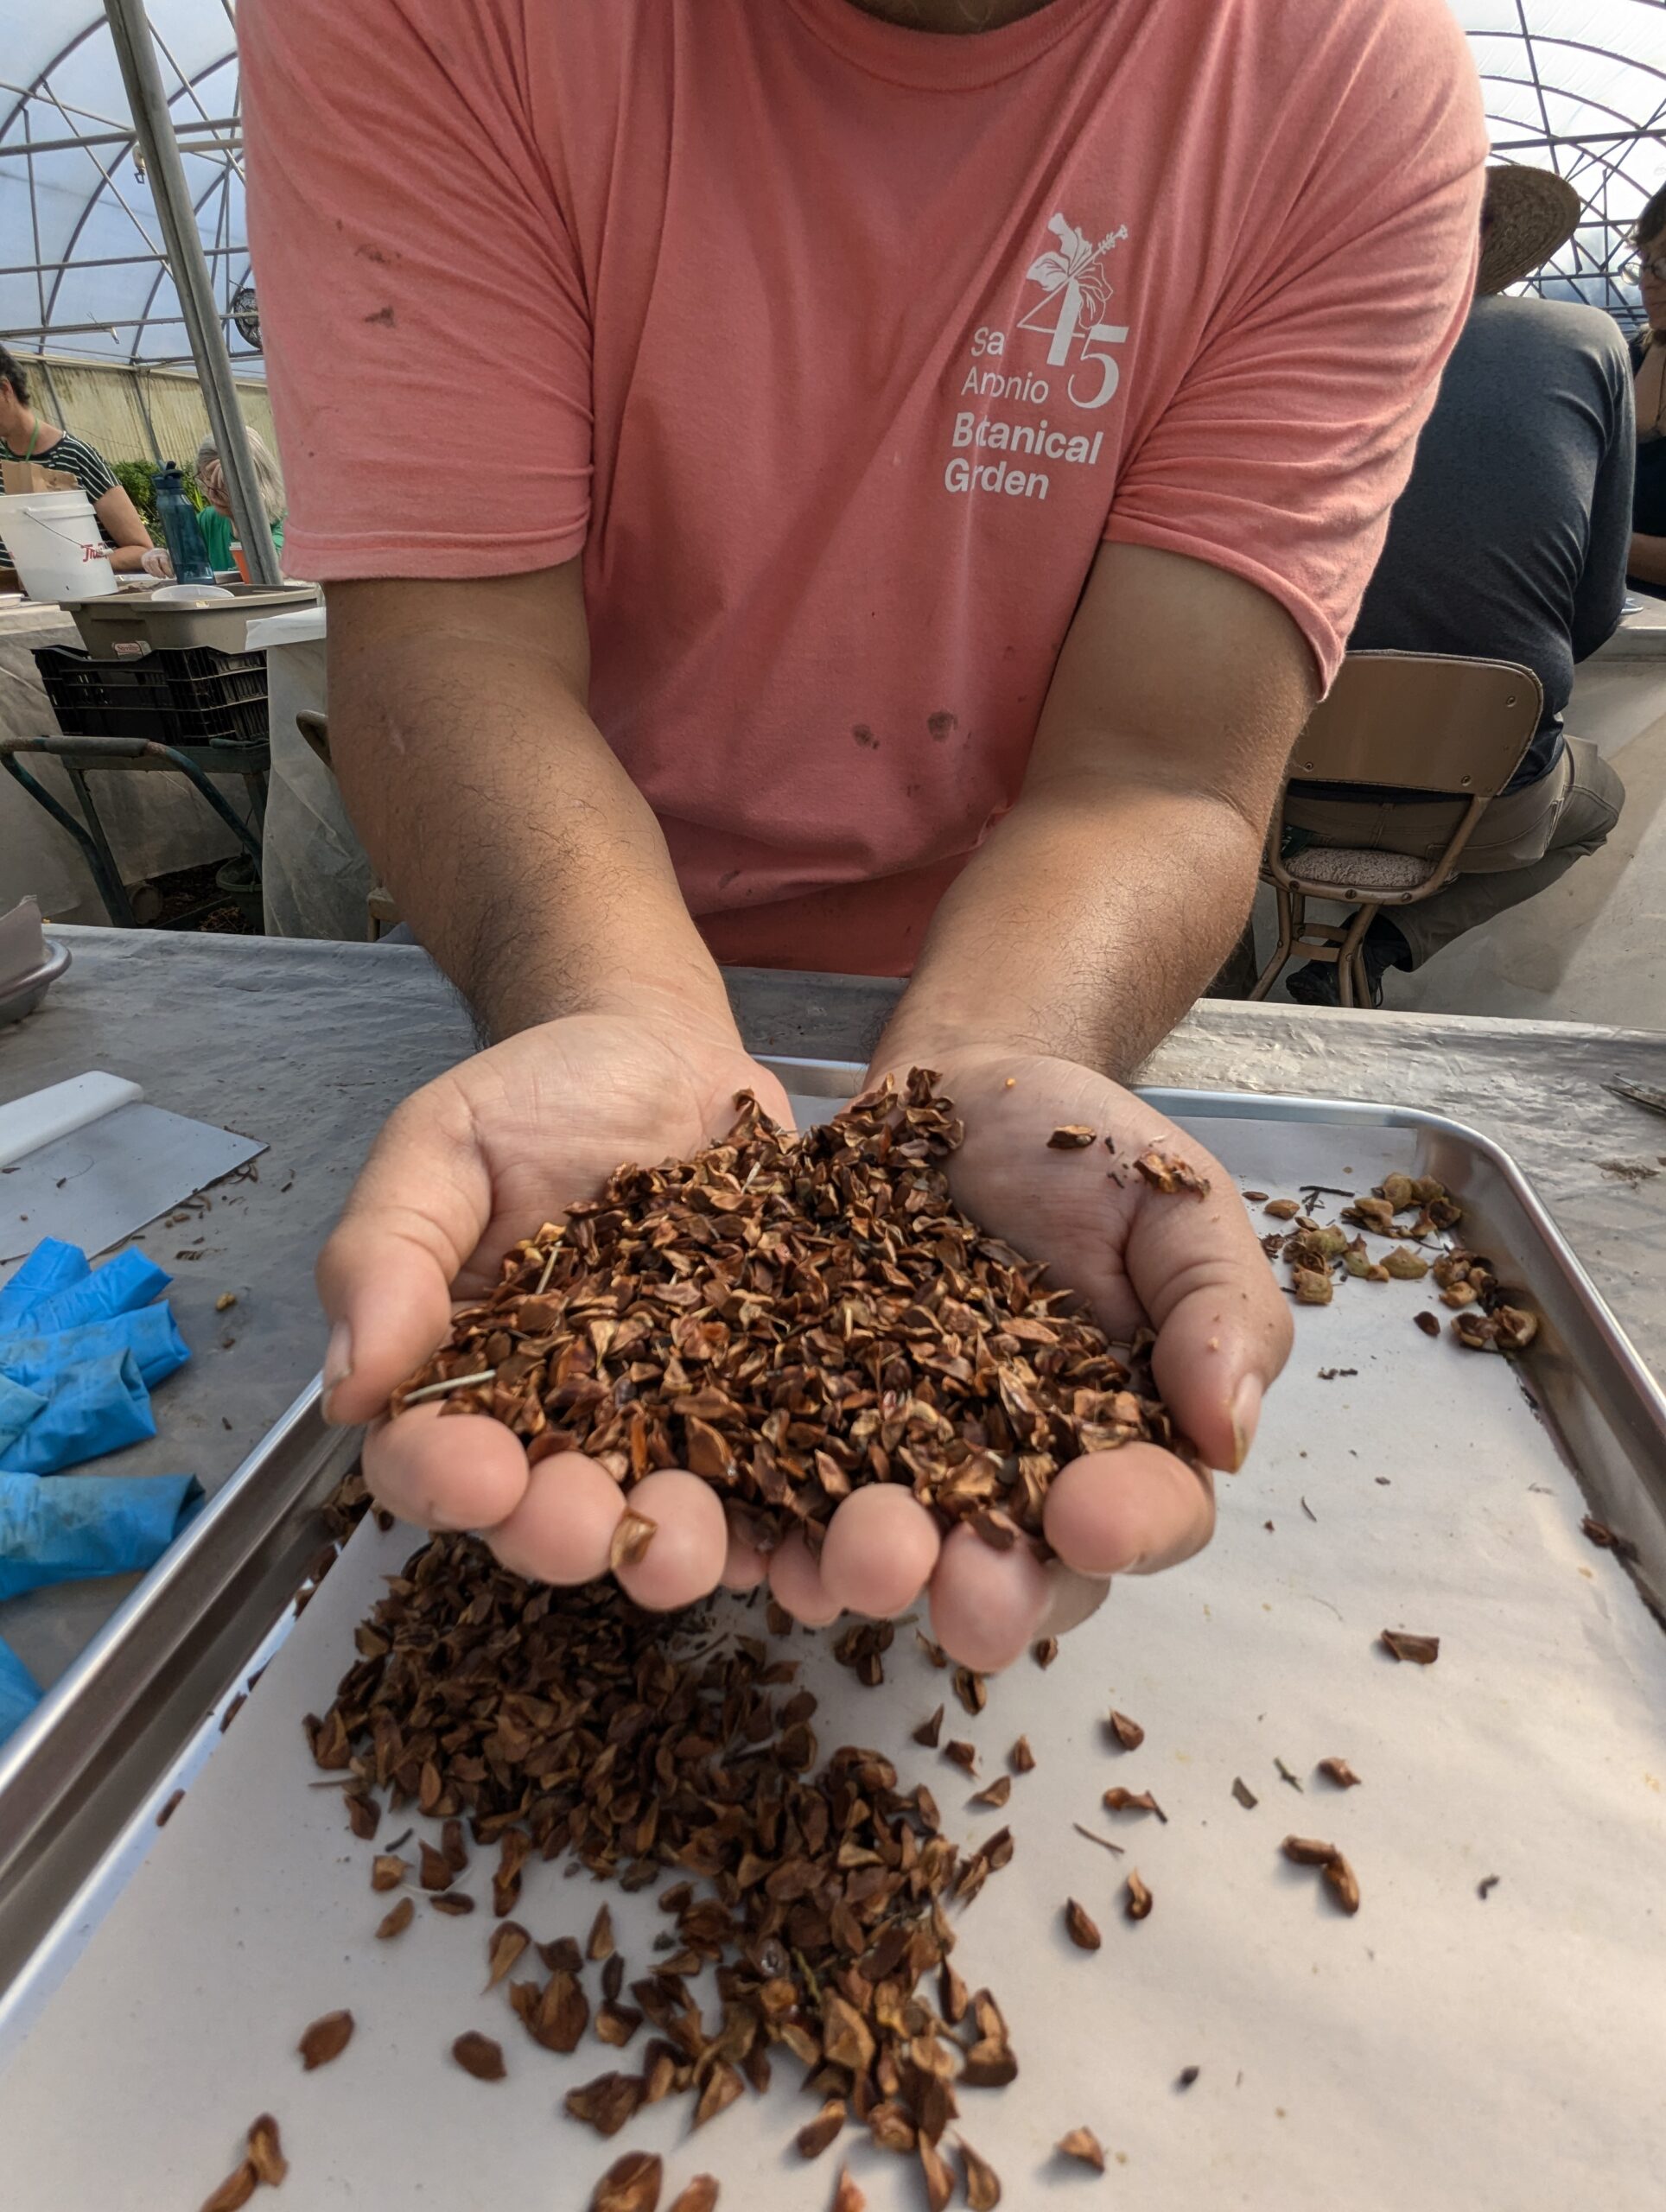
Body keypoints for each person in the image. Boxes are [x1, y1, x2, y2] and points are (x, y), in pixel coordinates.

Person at [242, 0, 1486, 1669]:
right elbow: (452, 652)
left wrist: (992, 1061)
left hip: (1006, 967)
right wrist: (623, 1014)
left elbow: (1158, 771)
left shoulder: (1341, 71)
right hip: (543, 945)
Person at [1283, 165, 1632, 1006]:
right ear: (1484, 246)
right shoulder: (1583, 342)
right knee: (1601, 801)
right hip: (1487, 797)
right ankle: (1386, 945)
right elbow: (1588, 616)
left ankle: (1319, 939)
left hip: (1278, 791)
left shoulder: (1285, 349)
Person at [0, 342, 154, 576]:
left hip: (71, 602)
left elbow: (140, 549)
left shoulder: (74, 456)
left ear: (5, 390)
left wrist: (74, 564)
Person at [139, 427, 289, 580]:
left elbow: (271, 570)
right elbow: (184, 559)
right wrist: (161, 556)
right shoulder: (209, 519)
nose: (211, 495)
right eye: (207, 482)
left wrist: (246, 511)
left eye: (223, 485)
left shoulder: (291, 522)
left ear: (258, 483)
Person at [1627, 182, 1666, 595]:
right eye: (1644, 262)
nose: (1648, 282)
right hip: (1624, 625)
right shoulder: (1632, 357)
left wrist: (1594, 542)